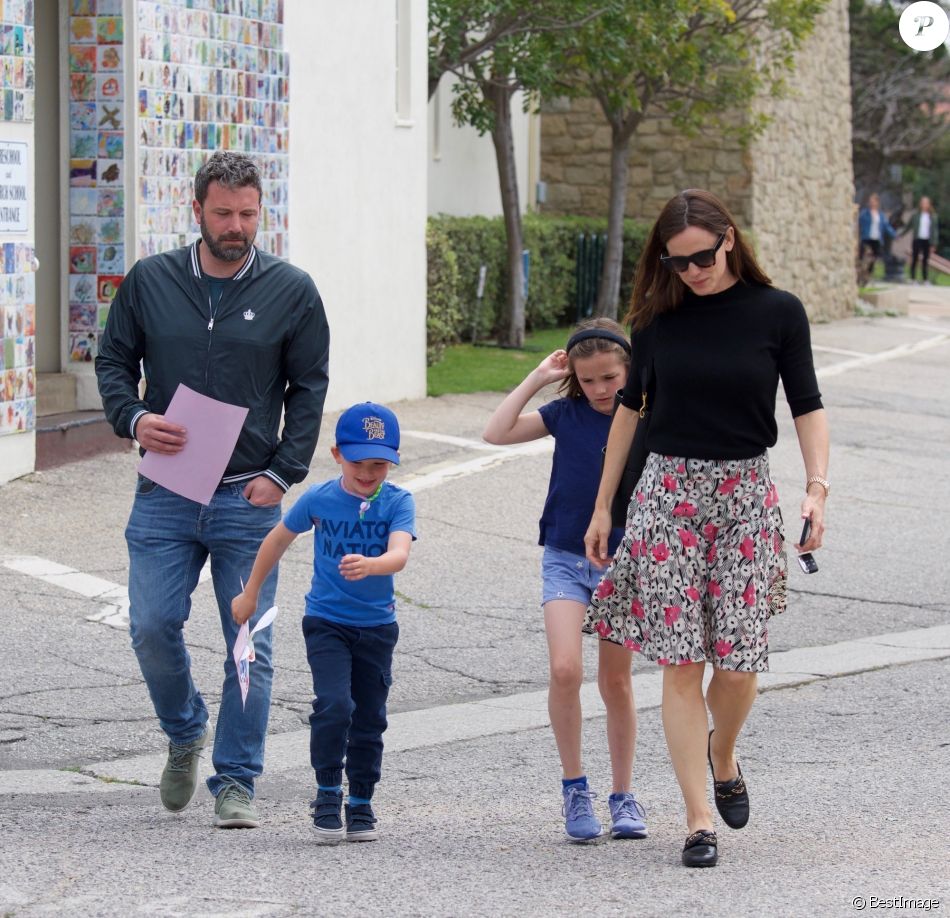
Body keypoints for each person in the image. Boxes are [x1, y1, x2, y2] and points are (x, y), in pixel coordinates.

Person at [583, 189, 829, 868]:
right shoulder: (657, 323)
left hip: (746, 493)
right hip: (667, 496)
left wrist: (816, 489)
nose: (691, 271)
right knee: (681, 659)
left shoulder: (777, 313)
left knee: (742, 661)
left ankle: (724, 751)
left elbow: (807, 404)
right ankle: (697, 819)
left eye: (701, 257)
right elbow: (629, 416)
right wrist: (606, 506)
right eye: (676, 260)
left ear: (729, 240)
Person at [96, 151, 330, 829]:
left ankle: (237, 780)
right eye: (224, 213)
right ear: (195, 210)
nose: (237, 226)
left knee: (248, 641)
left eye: (249, 214)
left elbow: (308, 389)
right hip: (165, 491)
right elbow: (112, 360)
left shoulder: (292, 289)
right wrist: (134, 416)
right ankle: (184, 729)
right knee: (150, 625)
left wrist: (282, 472)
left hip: (247, 498)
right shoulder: (150, 281)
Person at [483, 318, 647, 844]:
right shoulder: (566, 413)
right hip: (565, 558)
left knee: (616, 682)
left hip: (623, 561)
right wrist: (536, 377)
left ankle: (623, 795)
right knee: (564, 668)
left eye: (611, 378)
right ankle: (575, 787)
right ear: (576, 379)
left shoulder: (646, 417)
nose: (601, 390)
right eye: (590, 380)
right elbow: (496, 432)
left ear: (629, 371)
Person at [231, 402, 416, 844]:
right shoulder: (319, 498)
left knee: (370, 716)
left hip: (376, 627)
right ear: (336, 454)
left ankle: (362, 800)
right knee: (335, 705)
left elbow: (400, 554)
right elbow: (277, 539)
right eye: (358, 462)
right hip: (326, 622)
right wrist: (250, 592)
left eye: (379, 464)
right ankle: (328, 791)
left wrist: (373, 565)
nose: (368, 473)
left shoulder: (398, 501)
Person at [902, 196, 939, 283]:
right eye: (922, 202)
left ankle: (925, 279)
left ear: (929, 205)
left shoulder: (933, 216)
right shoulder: (916, 215)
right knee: (914, 259)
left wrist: (934, 244)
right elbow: (908, 226)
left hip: (927, 240)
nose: (924, 204)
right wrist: (901, 235)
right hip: (917, 239)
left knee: (925, 260)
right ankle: (913, 278)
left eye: (926, 203)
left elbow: (935, 231)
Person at [858, 193, 895, 278]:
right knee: (863, 255)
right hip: (867, 237)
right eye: (870, 201)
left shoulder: (880, 215)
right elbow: (859, 221)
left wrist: (894, 234)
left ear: (877, 203)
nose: (872, 203)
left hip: (876, 238)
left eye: (873, 201)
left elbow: (886, 226)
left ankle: (869, 273)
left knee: (875, 257)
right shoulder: (865, 213)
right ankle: (860, 272)